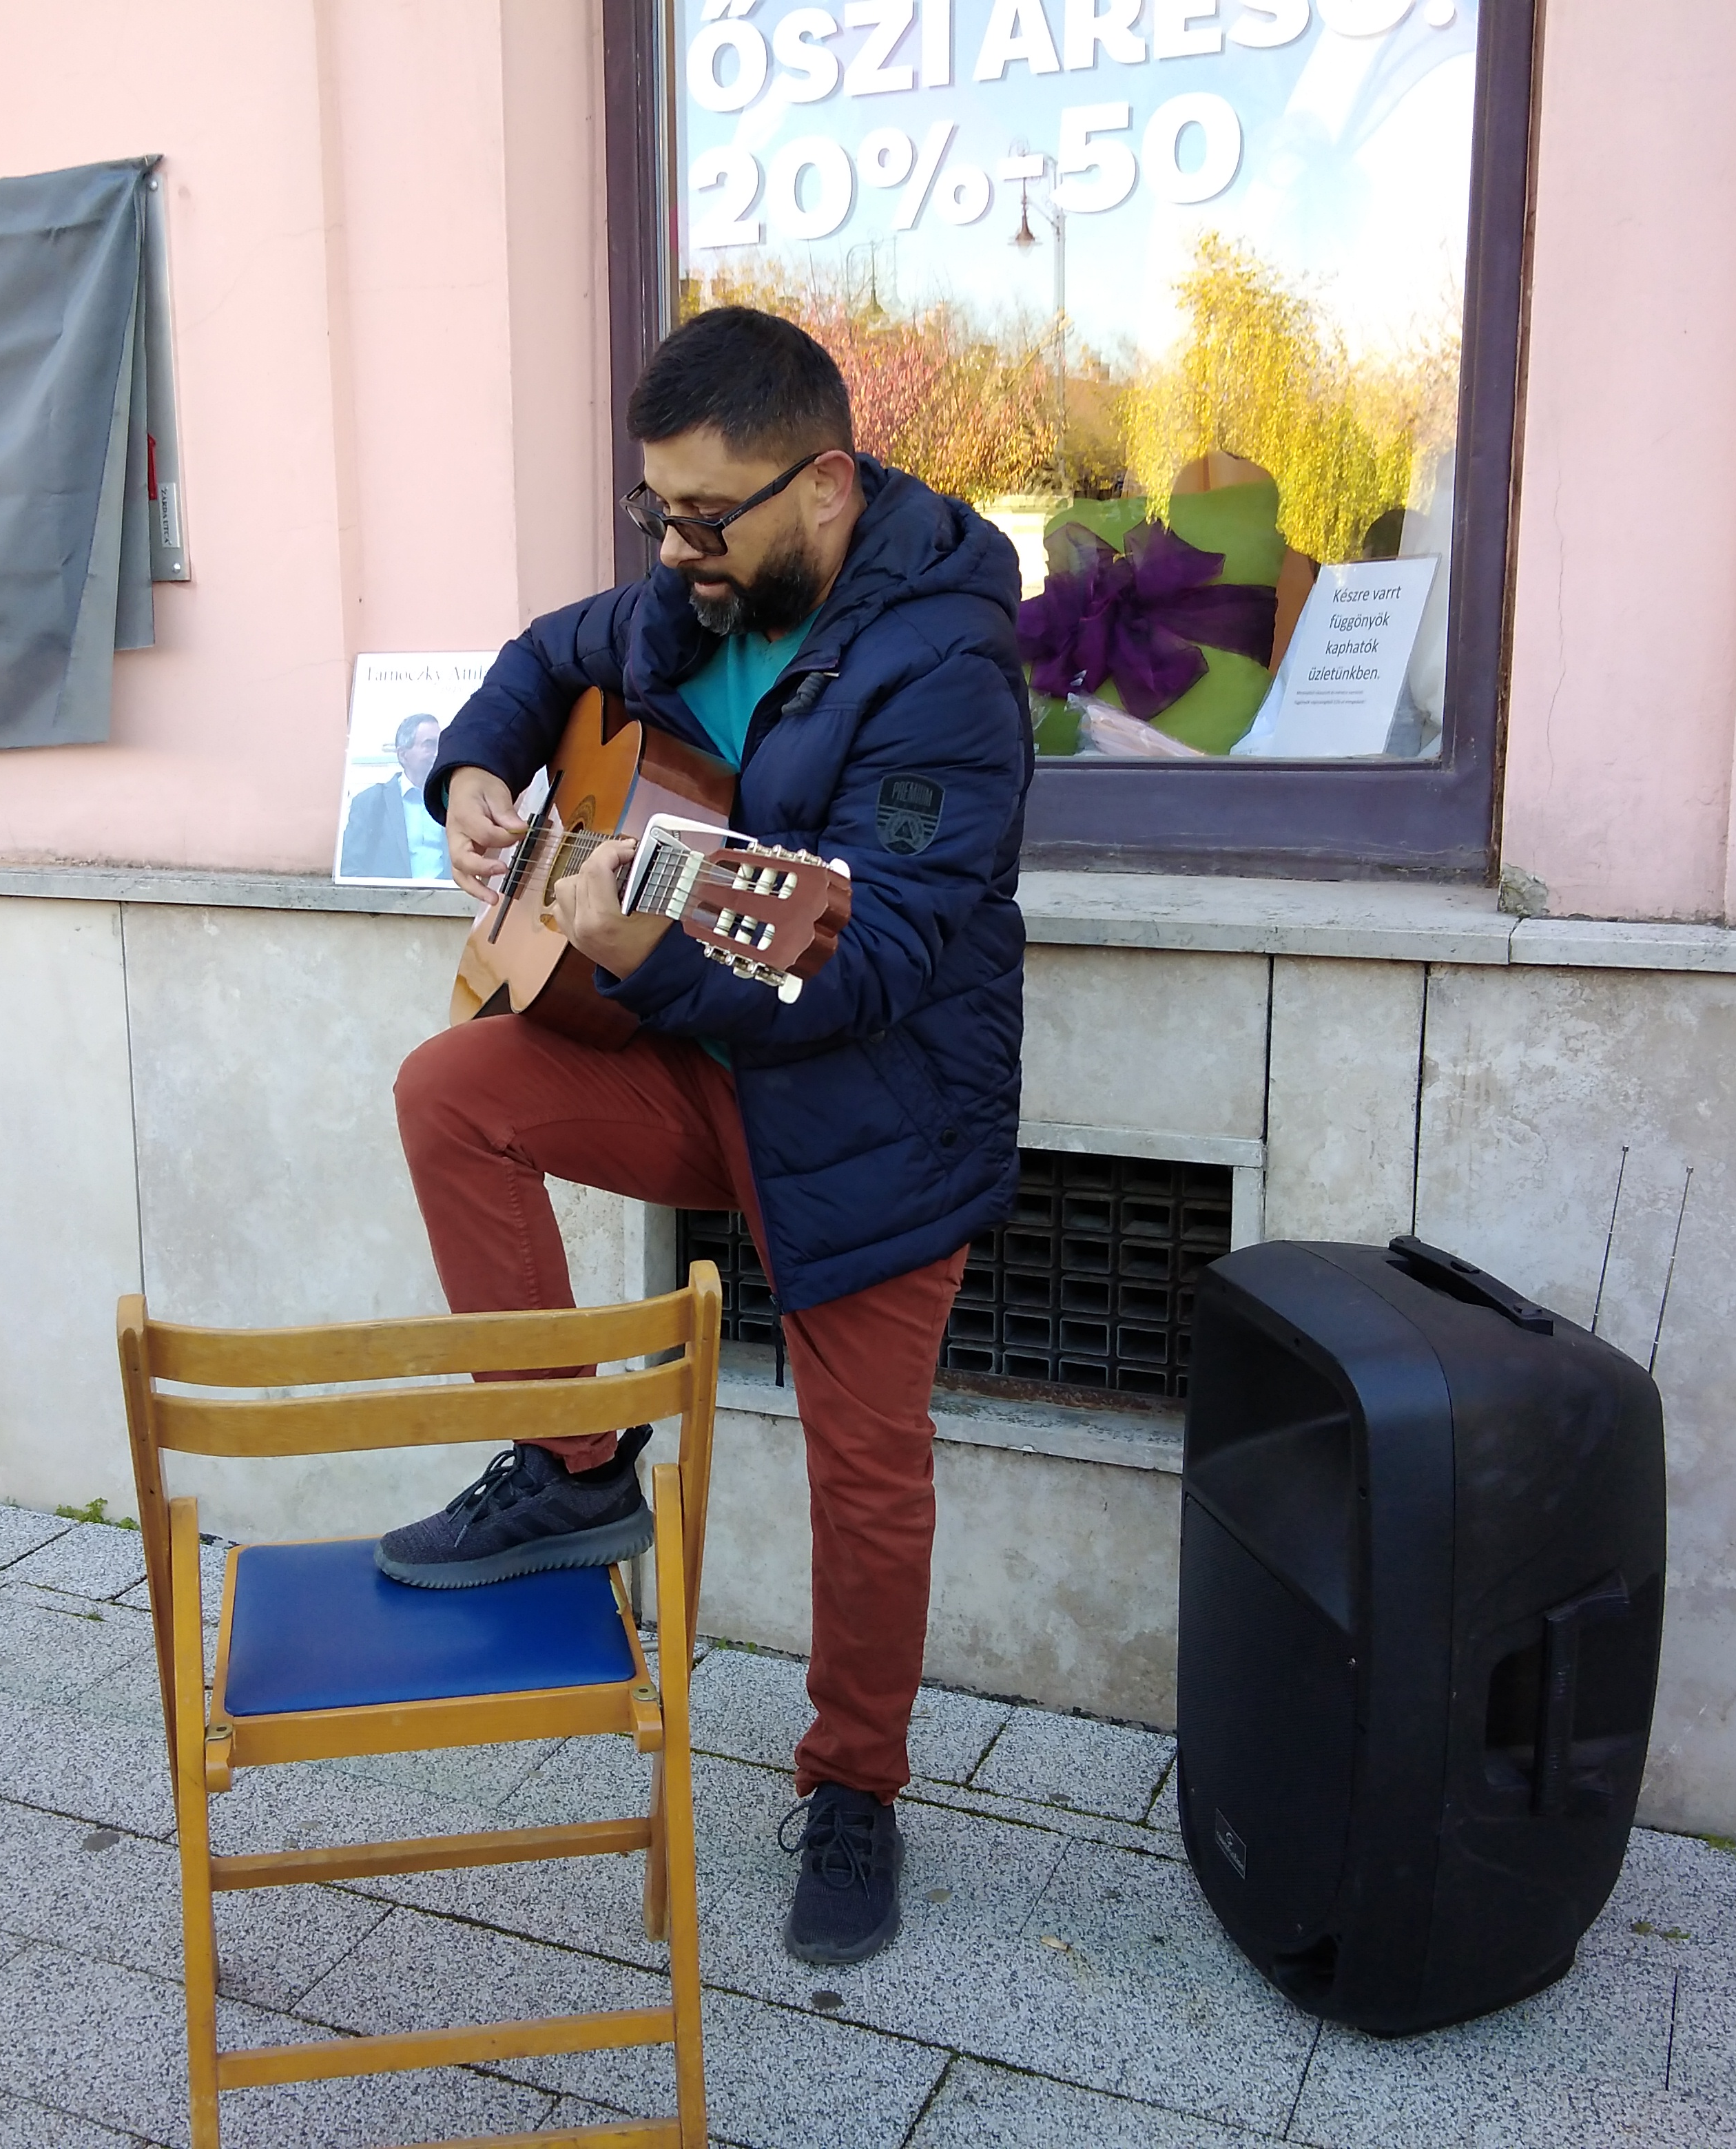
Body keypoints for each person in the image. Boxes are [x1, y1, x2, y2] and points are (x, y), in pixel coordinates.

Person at [378, 306, 1031, 1966]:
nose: (672, 550)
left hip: (876, 1113)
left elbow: (878, 956)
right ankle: (573, 1463)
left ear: (825, 483)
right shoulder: (685, 597)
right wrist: (474, 770)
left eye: (703, 516)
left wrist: (647, 953)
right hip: (701, 1067)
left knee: (864, 1473)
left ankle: (856, 1785)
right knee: (452, 1090)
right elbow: (543, 656)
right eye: (653, 511)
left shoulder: (945, 673)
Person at [337, 712, 448, 880]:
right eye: (429, 745)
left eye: (441, 744)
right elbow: (350, 868)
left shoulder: (454, 800)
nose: (438, 753)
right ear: (403, 755)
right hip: (392, 895)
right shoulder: (371, 802)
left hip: (448, 895)